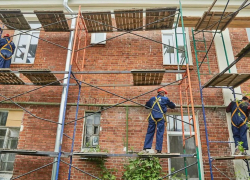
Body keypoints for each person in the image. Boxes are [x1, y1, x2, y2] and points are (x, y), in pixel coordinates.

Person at [142, 88, 176, 154]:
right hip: (160, 118)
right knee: (160, 133)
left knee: (150, 132)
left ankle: (146, 147)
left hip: (152, 118)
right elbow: (172, 106)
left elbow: (146, 106)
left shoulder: (152, 99)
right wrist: (171, 104)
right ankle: (158, 150)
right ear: (163, 93)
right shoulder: (165, 99)